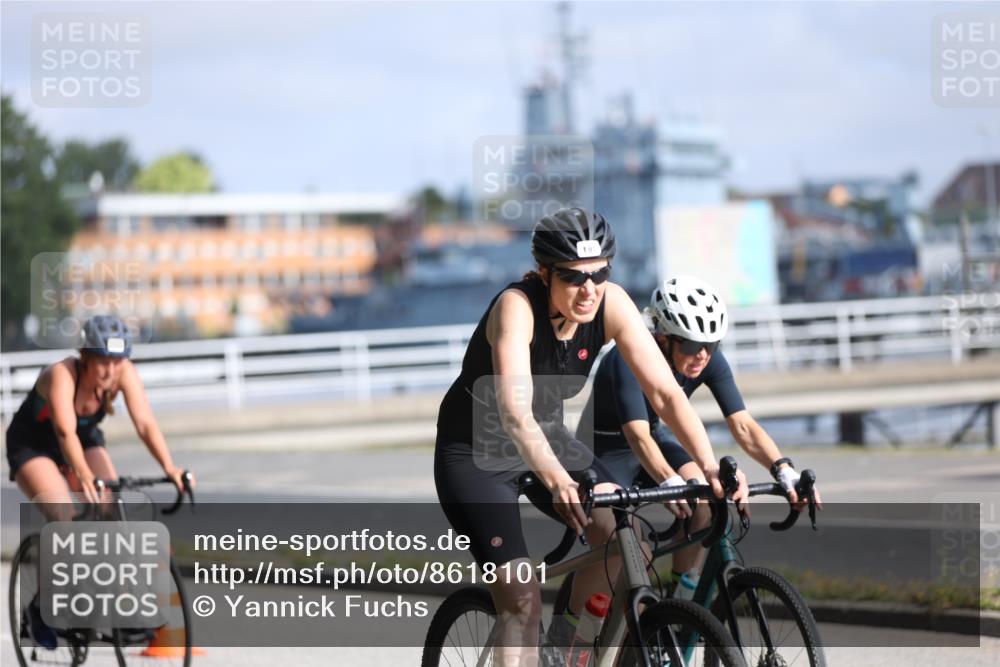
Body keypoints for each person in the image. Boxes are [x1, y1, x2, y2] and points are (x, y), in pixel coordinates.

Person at [434, 210, 747, 664]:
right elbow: (515, 413)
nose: (589, 289)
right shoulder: (516, 310)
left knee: (629, 537)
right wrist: (560, 480)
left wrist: (709, 465)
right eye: (573, 277)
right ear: (544, 274)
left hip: (549, 442)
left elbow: (665, 392)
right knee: (520, 602)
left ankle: (564, 648)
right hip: (476, 455)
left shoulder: (610, 303)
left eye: (600, 274)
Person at [577, 275, 821, 584]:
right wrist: (669, 479)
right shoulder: (627, 358)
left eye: (711, 344)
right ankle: (572, 627)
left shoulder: (706, 359)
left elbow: (743, 425)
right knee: (631, 552)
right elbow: (635, 435)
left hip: (651, 440)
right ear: (663, 338)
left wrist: (783, 469)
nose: (703, 355)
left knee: (706, 500)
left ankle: (682, 608)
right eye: (692, 345)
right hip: (602, 452)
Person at [5, 315, 193, 648]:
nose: (109, 370)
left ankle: (123, 610)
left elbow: (145, 423)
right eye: (102, 360)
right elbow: (64, 431)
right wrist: (85, 476)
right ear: (86, 356)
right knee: (63, 516)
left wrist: (170, 467)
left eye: (116, 361)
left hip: (84, 439)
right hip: (34, 444)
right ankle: (40, 609)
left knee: (112, 508)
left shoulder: (124, 372)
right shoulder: (62, 374)